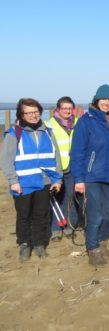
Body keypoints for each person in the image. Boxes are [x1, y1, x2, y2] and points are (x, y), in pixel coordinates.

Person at [70, 85, 109, 267]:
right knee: (95, 217)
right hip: (92, 177)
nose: (106, 103)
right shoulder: (86, 121)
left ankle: (102, 242)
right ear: (96, 100)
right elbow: (77, 153)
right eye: (103, 99)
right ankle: (92, 248)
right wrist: (78, 179)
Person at [1, 98, 62, 262]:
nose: (33, 115)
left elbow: (55, 156)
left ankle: (40, 243)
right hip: (22, 184)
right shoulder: (14, 133)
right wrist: (13, 181)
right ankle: (24, 244)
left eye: (35, 112)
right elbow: (6, 161)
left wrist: (58, 179)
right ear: (21, 114)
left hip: (44, 182)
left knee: (42, 214)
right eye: (28, 113)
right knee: (24, 216)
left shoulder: (48, 132)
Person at [45, 96, 79, 241]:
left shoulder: (77, 123)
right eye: (64, 108)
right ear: (57, 109)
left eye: (70, 108)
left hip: (73, 167)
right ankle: (55, 229)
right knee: (55, 198)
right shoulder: (48, 125)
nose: (67, 111)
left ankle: (69, 226)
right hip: (55, 168)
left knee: (70, 197)